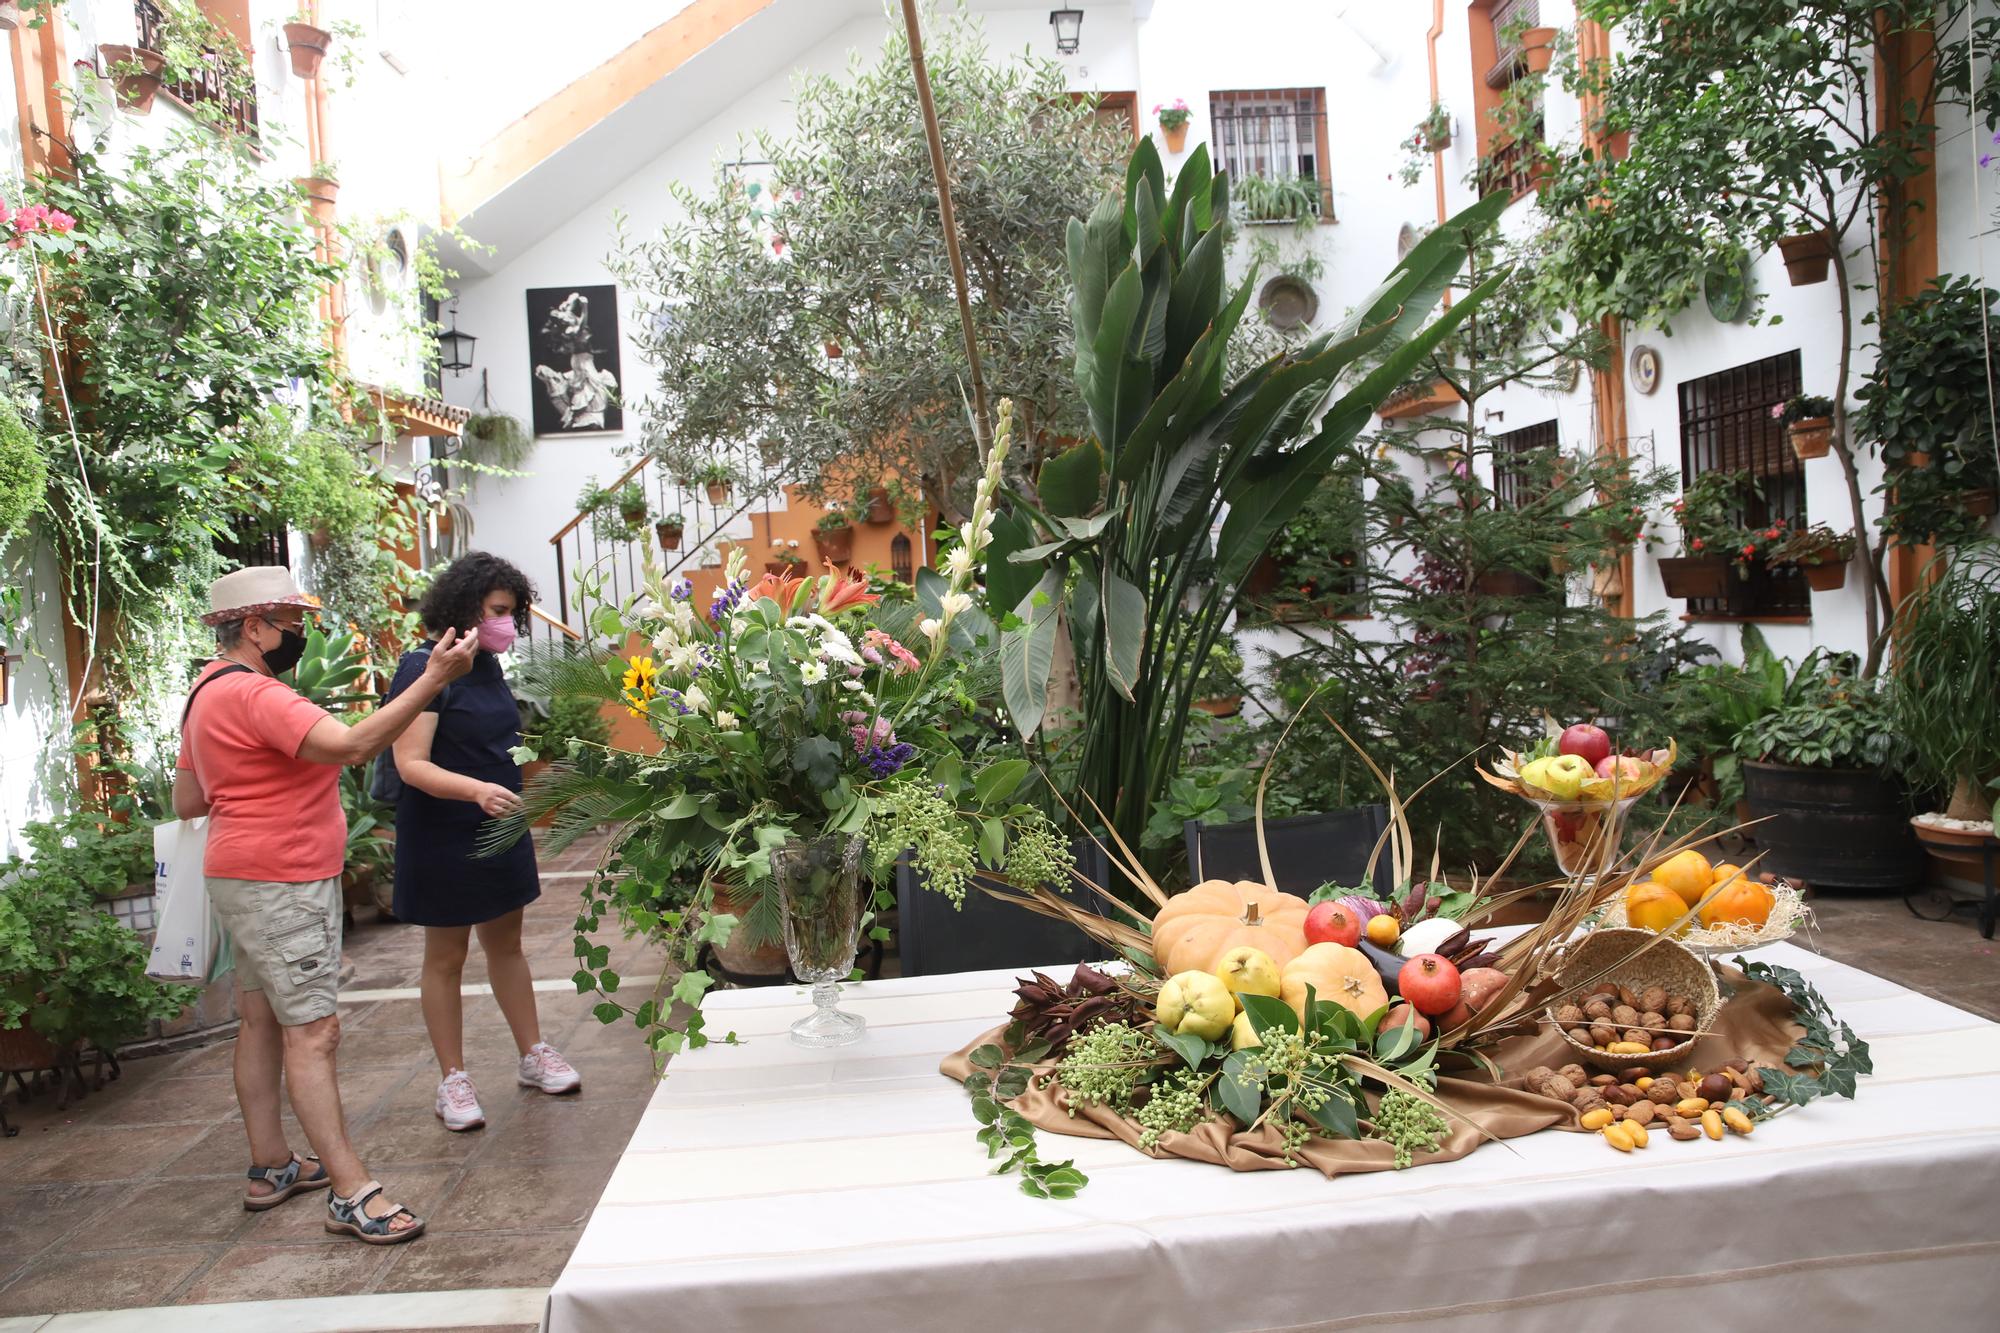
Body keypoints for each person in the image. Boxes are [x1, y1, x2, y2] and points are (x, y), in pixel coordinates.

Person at [174, 566, 477, 1245]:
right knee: (313, 1032)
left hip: (237, 874)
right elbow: (353, 745)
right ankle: (351, 1191)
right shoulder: (256, 694)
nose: (301, 634)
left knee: (258, 1018)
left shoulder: (203, 692)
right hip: (282, 881)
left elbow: (188, 801)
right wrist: (432, 678)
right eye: (291, 622)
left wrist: (253, 783)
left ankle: (272, 1165)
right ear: (253, 627)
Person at [386, 552, 581, 1132]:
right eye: (498, 610)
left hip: (497, 825)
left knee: (508, 945)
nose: (506, 623)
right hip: (442, 831)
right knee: (445, 958)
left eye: (512, 613)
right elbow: (409, 763)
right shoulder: (424, 669)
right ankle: (453, 1080)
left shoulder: (490, 667)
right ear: (464, 607)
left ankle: (533, 1054)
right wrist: (476, 790)